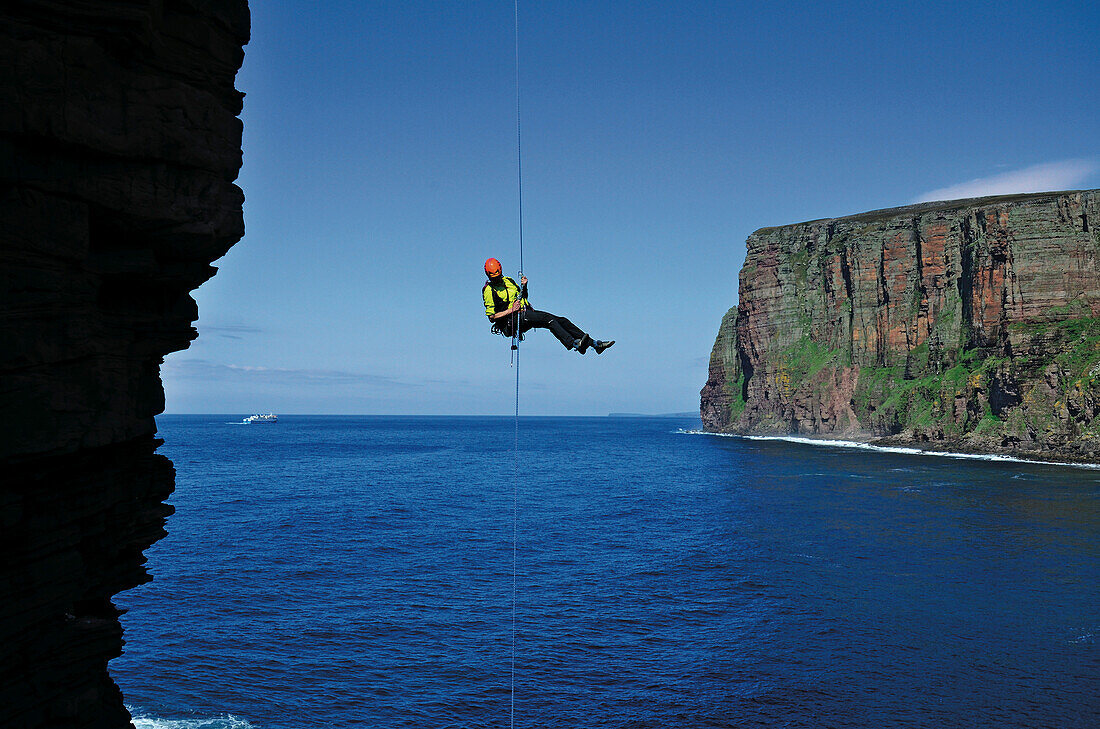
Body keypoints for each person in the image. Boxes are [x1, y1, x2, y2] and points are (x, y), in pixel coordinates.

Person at [482, 257, 614, 354]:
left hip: (525, 313)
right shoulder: (489, 290)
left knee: (562, 320)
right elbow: (492, 317)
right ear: (489, 275)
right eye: (494, 277)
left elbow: (524, 297)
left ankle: (595, 344)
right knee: (549, 320)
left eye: (498, 276)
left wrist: (524, 286)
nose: (497, 279)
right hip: (511, 321)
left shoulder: (508, 281)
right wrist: (511, 310)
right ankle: (573, 343)